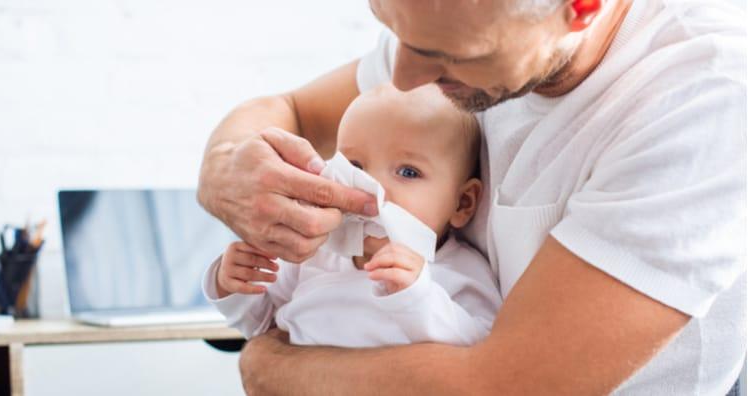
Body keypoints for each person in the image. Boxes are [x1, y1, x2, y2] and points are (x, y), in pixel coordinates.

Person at [197, 0, 746, 394]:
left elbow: (503, 387)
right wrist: (224, 167)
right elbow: (289, 108)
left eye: (448, 56)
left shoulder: (705, 98)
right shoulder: (447, 19)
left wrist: (267, 369)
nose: (405, 77)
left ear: (581, 7)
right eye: (388, 22)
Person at [203, 84, 502, 348]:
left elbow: (483, 348)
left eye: (408, 172)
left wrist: (417, 298)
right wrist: (233, 286)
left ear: (462, 203)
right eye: (355, 167)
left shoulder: (460, 271)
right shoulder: (313, 253)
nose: (372, 188)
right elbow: (261, 327)